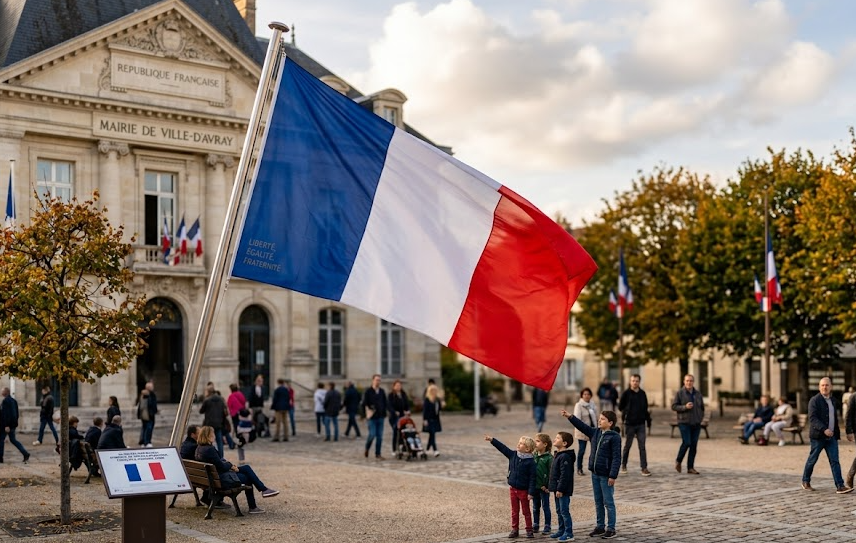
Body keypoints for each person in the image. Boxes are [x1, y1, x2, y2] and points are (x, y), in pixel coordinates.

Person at [561, 408, 621, 539]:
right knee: (598, 501)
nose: (599, 421)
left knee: (608, 502)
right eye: (599, 418)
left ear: (610, 423)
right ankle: (600, 526)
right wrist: (570, 416)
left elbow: (617, 457)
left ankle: (611, 528)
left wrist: (613, 475)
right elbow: (581, 426)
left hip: (606, 475)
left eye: (602, 419)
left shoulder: (614, 437)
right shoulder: (595, 432)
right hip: (595, 474)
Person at [195, 425, 279, 514]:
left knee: (246, 468)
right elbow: (222, 467)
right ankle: (255, 503)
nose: (215, 436)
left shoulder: (199, 449)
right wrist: (231, 466)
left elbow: (218, 464)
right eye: (213, 434)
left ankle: (263, 490)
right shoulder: (209, 449)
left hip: (213, 478)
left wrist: (231, 466)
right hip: (221, 480)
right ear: (208, 436)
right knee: (247, 478)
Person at [802, 377, 851, 493]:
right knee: (812, 459)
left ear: (831, 387)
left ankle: (840, 486)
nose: (825, 387)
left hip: (831, 437)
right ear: (819, 387)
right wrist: (824, 429)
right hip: (818, 437)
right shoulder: (814, 400)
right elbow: (813, 419)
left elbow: (835, 419)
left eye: (827, 385)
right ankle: (805, 480)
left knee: (835, 461)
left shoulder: (833, 401)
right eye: (822, 385)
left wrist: (839, 433)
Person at [484, 433, 537, 538]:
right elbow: (502, 448)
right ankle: (514, 529)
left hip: (524, 491)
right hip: (513, 489)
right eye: (519, 442)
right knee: (514, 511)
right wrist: (492, 440)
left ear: (527, 449)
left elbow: (533, 478)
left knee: (526, 511)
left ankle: (529, 530)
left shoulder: (531, 462)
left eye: (521, 444)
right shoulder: (513, 455)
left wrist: (531, 492)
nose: (518, 444)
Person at [618, 373, 651, 476]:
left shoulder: (642, 393)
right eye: (633, 381)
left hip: (641, 423)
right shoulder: (626, 393)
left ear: (639, 382)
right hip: (629, 423)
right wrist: (627, 411)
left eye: (636, 381)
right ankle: (623, 464)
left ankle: (644, 468)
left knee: (642, 446)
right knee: (627, 445)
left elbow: (646, 409)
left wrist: (648, 421)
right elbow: (620, 406)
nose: (635, 382)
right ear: (630, 382)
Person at [672, 374, 704, 475]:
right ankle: (678, 460)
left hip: (696, 423)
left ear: (693, 382)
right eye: (687, 381)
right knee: (687, 442)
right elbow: (674, 406)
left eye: (690, 381)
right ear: (684, 382)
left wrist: (700, 418)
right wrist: (685, 407)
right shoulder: (680, 393)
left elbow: (702, 407)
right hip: (684, 422)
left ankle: (690, 467)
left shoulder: (698, 393)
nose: (689, 383)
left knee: (694, 445)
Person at [548, 431, 575, 542]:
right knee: (559, 511)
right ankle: (561, 529)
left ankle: (569, 533)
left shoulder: (564, 456)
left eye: (558, 438)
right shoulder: (558, 454)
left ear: (564, 443)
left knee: (564, 511)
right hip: (557, 488)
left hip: (562, 490)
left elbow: (565, 475)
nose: (555, 439)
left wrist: (560, 489)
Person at [0, 387, 30, 464]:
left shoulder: (6, 401)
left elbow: (6, 414)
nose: (1, 392)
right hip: (12, 425)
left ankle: (0, 457)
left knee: (1, 440)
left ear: (6, 392)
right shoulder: (14, 401)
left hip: (6, 426)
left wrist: (7, 425)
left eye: (2, 391)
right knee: (13, 440)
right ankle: (25, 453)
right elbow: (16, 414)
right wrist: (13, 424)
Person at [573, 387, 598, 476]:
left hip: (593, 430)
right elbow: (577, 419)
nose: (586, 396)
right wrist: (584, 427)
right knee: (582, 450)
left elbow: (596, 416)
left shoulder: (592, 404)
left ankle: (594, 467)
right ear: (582, 395)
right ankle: (579, 468)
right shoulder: (578, 405)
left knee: (595, 449)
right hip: (582, 431)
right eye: (584, 394)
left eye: (588, 394)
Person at [532, 433, 553, 535]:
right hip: (535, 486)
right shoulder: (534, 455)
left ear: (545, 444)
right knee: (535, 507)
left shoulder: (549, 458)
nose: (535, 443)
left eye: (538, 441)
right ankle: (535, 524)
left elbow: (551, 473)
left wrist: (548, 486)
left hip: (544, 488)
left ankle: (547, 525)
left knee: (545, 506)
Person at [199, 385, 229, 457]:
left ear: (208, 391)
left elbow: (201, 411)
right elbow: (225, 411)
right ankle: (221, 457)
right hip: (219, 423)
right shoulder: (221, 399)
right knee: (219, 441)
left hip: (209, 423)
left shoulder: (207, 400)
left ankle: (210, 455)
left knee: (208, 440)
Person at [363, 374, 388, 460]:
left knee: (380, 436)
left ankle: (378, 453)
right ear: (373, 380)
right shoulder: (368, 391)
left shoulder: (382, 391)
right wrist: (369, 410)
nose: (378, 381)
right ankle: (367, 448)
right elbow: (365, 403)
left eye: (379, 380)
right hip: (372, 417)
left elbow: (385, 402)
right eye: (376, 380)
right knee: (372, 434)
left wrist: (386, 412)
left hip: (380, 416)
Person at [387, 380, 410, 453]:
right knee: (396, 432)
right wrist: (394, 412)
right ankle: (394, 449)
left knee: (403, 431)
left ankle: (403, 446)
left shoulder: (403, 394)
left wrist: (408, 410)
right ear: (394, 386)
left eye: (399, 385)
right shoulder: (391, 395)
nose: (398, 387)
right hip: (394, 417)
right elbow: (389, 406)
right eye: (397, 385)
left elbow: (407, 404)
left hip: (403, 417)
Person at [423, 384, 442, 457]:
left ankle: (427, 449)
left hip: (435, 419)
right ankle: (435, 450)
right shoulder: (427, 399)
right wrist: (425, 419)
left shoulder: (437, 399)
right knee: (432, 434)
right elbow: (425, 410)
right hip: (429, 419)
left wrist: (442, 404)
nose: (434, 392)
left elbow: (439, 409)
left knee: (432, 435)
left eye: (435, 390)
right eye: (433, 390)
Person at [136, 381, 158, 447]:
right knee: (148, 428)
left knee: (144, 428)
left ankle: (142, 442)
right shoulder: (148, 394)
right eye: (151, 386)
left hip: (144, 414)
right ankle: (147, 442)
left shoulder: (143, 394)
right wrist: (154, 411)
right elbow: (150, 404)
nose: (153, 387)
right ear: (149, 387)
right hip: (148, 414)